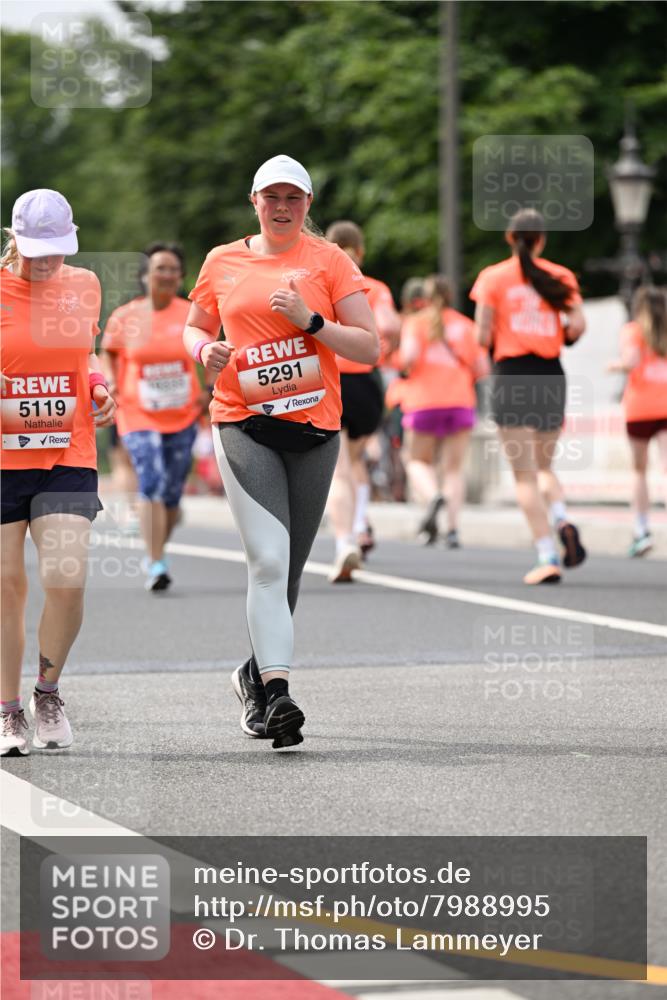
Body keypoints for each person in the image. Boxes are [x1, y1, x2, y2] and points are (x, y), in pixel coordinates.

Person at [182, 155, 378, 748]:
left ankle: (252, 675)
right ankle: (280, 696)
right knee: (267, 562)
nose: (282, 207)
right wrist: (203, 352)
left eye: (293, 197)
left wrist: (312, 322)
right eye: (272, 197)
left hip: (315, 431)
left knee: (288, 570)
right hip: (243, 422)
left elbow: (368, 348)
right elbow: (194, 326)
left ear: (308, 205)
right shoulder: (223, 260)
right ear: (254, 202)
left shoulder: (329, 261)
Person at [0, 189, 115, 756]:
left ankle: (47, 692)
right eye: (36, 249)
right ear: (15, 238)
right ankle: (7, 711)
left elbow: (83, 355)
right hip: (1, 458)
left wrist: (96, 386)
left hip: (68, 449)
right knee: (5, 585)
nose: (47, 261)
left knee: (67, 581)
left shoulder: (85, 285)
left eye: (57, 250)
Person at [470, 208, 587, 585]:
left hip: (513, 374)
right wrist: (558, 335)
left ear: (510, 238)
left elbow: (482, 336)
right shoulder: (561, 276)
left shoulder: (493, 278)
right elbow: (577, 326)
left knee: (523, 476)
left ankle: (547, 554)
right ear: (542, 240)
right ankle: (562, 517)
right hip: (551, 374)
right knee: (545, 467)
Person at [101, 243, 203, 591]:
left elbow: (215, 350)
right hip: (137, 412)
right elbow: (108, 354)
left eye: (174, 269)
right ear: (145, 275)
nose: (167, 275)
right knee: (152, 478)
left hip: (183, 413)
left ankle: (158, 547)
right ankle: (156, 562)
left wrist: (210, 391)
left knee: (172, 492)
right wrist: (111, 380)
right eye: (160, 268)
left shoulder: (191, 314)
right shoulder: (125, 317)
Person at [324, 220, 401, 580]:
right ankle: (360, 524)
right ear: (361, 250)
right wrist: (385, 352)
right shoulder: (376, 287)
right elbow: (389, 326)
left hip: (331, 379)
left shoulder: (321, 280)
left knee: (338, 467)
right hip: (366, 384)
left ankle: (345, 541)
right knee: (355, 461)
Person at [394, 274, 489, 547]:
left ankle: (433, 495)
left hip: (424, 401)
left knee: (416, 461)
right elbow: (483, 368)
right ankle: (453, 529)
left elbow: (409, 358)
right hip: (460, 401)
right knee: (454, 469)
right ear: (450, 296)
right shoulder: (466, 325)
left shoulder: (415, 322)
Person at [608, 285, 667, 557]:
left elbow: (630, 361)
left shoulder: (633, 330)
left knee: (639, 471)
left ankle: (641, 530)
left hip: (640, 408)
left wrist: (614, 366)